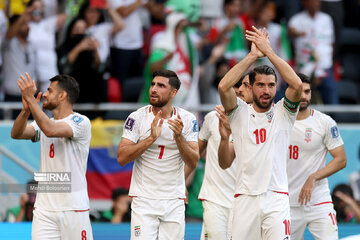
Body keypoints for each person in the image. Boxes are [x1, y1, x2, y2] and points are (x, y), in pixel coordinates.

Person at [217, 26, 302, 239]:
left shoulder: (284, 112)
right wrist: (253, 55)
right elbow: (223, 87)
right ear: (251, 88)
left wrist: (269, 52)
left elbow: (297, 84)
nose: (266, 91)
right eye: (261, 85)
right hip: (245, 197)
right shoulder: (238, 112)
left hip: (277, 198)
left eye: (271, 86)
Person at [117, 69, 199, 239]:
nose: (153, 89)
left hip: (173, 200)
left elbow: (193, 161)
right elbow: (122, 158)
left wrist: (179, 138)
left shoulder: (188, 119)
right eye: (153, 84)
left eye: (161, 85)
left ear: (173, 92)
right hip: (143, 199)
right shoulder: (137, 117)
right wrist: (151, 138)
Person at [11, 73, 93, 239]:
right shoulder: (42, 123)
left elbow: (51, 130)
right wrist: (26, 110)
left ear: (62, 95)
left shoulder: (80, 121)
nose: (44, 94)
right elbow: (17, 133)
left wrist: (31, 100)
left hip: (73, 207)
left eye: (49, 90)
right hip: (44, 210)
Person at [287, 73, 347, 240]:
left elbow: (341, 159)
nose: (304, 96)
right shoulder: (279, 121)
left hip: (319, 201)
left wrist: (313, 177)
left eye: (307, 91)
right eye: (300, 91)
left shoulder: (325, 122)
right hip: (288, 203)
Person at [198, 74, 252, 240]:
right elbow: (194, 154)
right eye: (236, 86)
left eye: (244, 86)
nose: (239, 90)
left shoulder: (261, 122)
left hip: (245, 202)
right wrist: (180, 183)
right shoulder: (212, 118)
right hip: (215, 199)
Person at [288, 0, 338, 104]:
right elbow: (290, 32)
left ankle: (334, 119)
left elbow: (331, 43)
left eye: (317, 1)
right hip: (304, 68)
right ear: (304, 3)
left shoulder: (326, 19)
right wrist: (296, 33)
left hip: (325, 67)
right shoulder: (296, 20)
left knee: (331, 96)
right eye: (312, 1)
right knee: (301, 100)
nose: (315, 3)